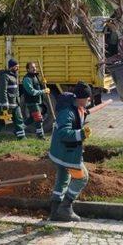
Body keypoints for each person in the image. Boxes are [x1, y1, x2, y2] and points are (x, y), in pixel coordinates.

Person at [48, 81, 93, 222]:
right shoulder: (67, 112)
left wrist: (83, 113)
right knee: (82, 178)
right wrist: (81, 134)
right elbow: (63, 133)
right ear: (80, 98)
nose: (89, 100)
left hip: (59, 152)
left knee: (63, 178)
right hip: (66, 153)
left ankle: (55, 212)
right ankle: (65, 208)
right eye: (87, 98)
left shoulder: (75, 106)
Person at [0, 59, 25, 142]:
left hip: (15, 104)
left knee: (19, 120)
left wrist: (18, 101)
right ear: (12, 67)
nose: (18, 68)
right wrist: (5, 104)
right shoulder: (5, 76)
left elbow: (16, 90)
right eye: (16, 66)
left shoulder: (14, 76)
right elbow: (2, 90)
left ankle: (21, 138)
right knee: (2, 121)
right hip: (7, 106)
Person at [22, 61, 50, 139]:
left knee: (32, 118)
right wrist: (44, 91)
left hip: (36, 101)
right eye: (32, 67)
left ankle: (19, 128)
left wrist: (42, 82)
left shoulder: (35, 76)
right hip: (32, 102)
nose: (34, 68)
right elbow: (32, 92)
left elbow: (37, 86)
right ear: (27, 69)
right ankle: (40, 136)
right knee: (38, 118)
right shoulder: (27, 79)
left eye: (35, 67)